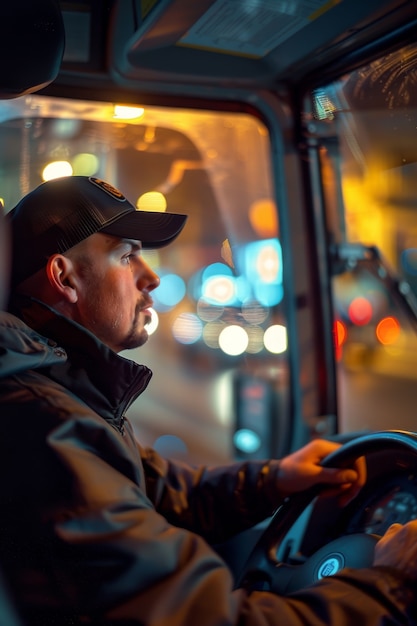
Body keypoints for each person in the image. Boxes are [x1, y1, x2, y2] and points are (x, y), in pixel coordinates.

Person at [0, 175, 416, 626]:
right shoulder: (45, 426)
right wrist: (392, 582)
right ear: (64, 276)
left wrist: (276, 480)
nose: (152, 278)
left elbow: (161, 493)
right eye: (127, 256)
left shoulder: (64, 395)